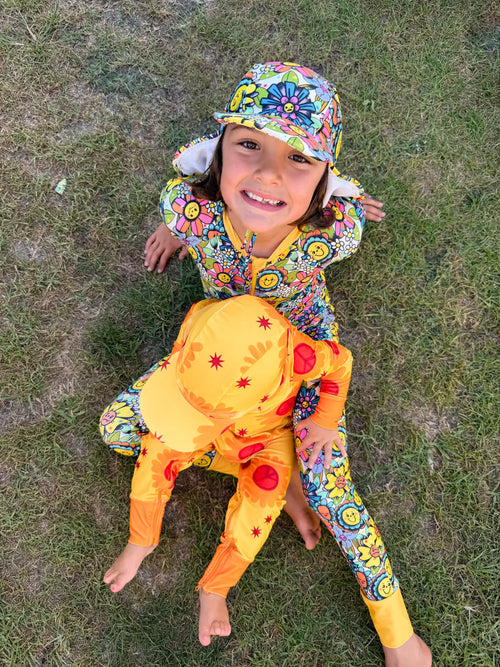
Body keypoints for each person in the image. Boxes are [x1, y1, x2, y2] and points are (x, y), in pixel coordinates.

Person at [105, 62, 431, 664]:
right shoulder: (189, 209)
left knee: (332, 490)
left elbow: (336, 361)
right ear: (218, 155)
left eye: (299, 160)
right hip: (218, 360)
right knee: (117, 428)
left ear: (324, 186)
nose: (269, 174)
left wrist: (324, 418)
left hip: (300, 361)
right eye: (249, 145)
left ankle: (400, 634)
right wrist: (178, 232)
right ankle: (273, 472)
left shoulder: (335, 233)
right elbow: (187, 188)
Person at [102, 295, 353, 646]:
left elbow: (341, 362)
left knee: (264, 497)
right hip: (212, 427)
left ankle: (216, 587)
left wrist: (326, 419)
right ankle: (141, 539)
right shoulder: (203, 316)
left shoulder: (297, 356)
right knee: (158, 445)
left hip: (267, 438)